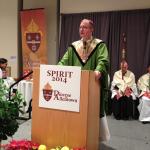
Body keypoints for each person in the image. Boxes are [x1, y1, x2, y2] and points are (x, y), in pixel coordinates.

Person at [58, 18, 110, 141]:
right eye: (80, 27)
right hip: (75, 87)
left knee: (91, 113)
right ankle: (76, 136)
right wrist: (57, 68)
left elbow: (103, 60)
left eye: (85, 27)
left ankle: (92, 138)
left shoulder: (99, 45)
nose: (81, 29)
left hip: (92, 85)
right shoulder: (74, 46)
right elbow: (63, 62)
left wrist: (98, 70)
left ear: (91, 29)